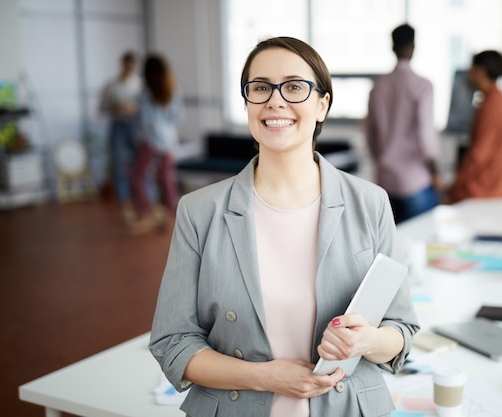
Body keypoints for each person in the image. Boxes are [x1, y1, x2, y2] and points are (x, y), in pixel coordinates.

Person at [148, 37, 419, 417]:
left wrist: (366, 340)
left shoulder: (370, 202)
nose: (275, 100)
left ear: (322, 104)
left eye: (294, 86)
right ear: (247, 103)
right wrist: (265, 377)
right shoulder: (199, 211)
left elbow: (401, 329)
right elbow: (173, 343)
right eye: (260, 88)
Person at [365, 23, 440, 224]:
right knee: (421, 245)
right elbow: (426, 137)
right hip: (415, 182)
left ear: (392, 47)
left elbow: (370, 135)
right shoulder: (423, 86)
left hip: (385, 181)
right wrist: (435, 171)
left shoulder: (378, 86)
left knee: (391, 249)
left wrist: (382, 158)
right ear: (413, 47)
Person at [446, 50, 502, 204]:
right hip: (501, 188)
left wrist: (455, 185)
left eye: (471, 68)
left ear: (480, 71)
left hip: (489, 190)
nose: (468, 73)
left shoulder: (491, 106)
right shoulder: (497, 100)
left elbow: (479, 154)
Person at [129, 53, 184, 234]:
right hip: (168, 142)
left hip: (150, 142)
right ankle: (172, 217)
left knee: (138, 175)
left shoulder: (144, 95)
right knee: (166, 179)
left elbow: (143, 122)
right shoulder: (171, 91)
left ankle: (146, 214)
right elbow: (176, 117)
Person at [99, 51, 141, 223]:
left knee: (140, 164)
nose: (130, 67)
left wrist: (133, 109)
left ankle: (143, 202)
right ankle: (125, 203)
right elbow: (102, 108)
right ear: (122, 64)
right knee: (118, 164)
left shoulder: (139, 84)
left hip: (136, 126)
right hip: (118, 126)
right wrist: (116, 108)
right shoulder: (112, 85)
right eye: (127, 64)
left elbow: (146, 107)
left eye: (133, 64)